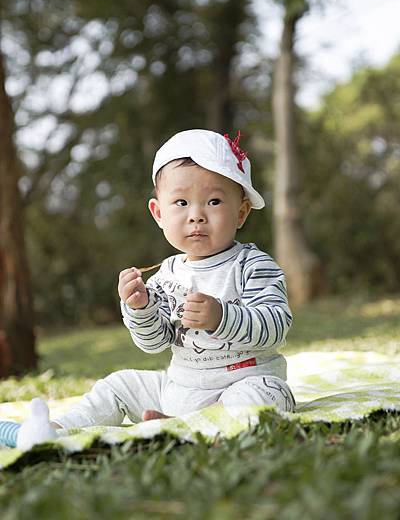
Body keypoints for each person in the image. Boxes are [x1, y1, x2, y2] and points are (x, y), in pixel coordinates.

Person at [0, 129, 295, 447]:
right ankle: (52, 430)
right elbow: (154, 343)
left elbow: (276, 326)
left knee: (267, 397)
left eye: (214, 201)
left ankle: (188, 426)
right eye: (181, 202)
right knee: (118, 384)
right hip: (179, 388)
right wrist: (140, 308)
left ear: (241, 212)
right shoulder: (167, 274)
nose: (196, 216)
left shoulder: (252, 264)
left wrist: (222, 317)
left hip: (241, 382)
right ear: (158, 213)